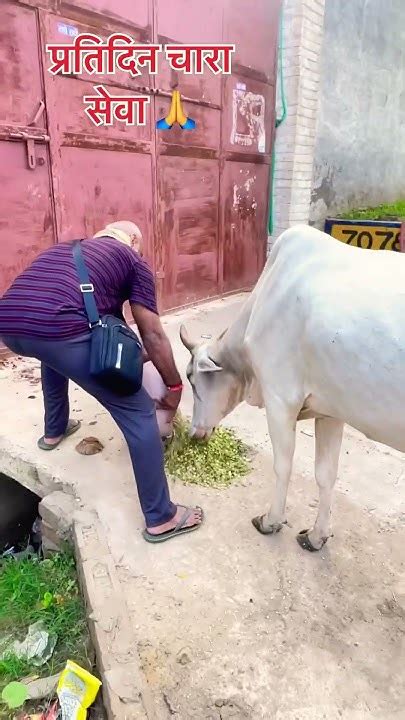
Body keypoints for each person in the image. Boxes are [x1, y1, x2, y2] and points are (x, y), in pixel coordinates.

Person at [0, 220, 203, 543]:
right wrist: (174, 386)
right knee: (137, 412)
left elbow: (115, 336)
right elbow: (151, 332)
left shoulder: (67, 250)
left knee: (53, 355)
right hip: (57, 325)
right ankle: (162, 517)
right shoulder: (132, 260)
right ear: (134, 240)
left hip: (9, 324)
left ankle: (54, 431)